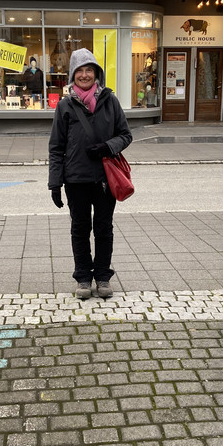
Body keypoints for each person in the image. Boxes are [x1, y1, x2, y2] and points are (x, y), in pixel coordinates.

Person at [48, 48, 132, 299]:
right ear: (73, 75)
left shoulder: (110, 101)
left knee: (104, 229)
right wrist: (55, 183)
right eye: (79, 71)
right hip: (76, 180)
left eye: (89, 70)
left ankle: (103, 277)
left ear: (96, 74)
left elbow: (125, 135)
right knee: (80, 230)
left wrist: (107, 147)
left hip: (105, 179)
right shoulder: (65, 106)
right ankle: (83, 278)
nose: (84, 75)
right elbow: (56, 147)